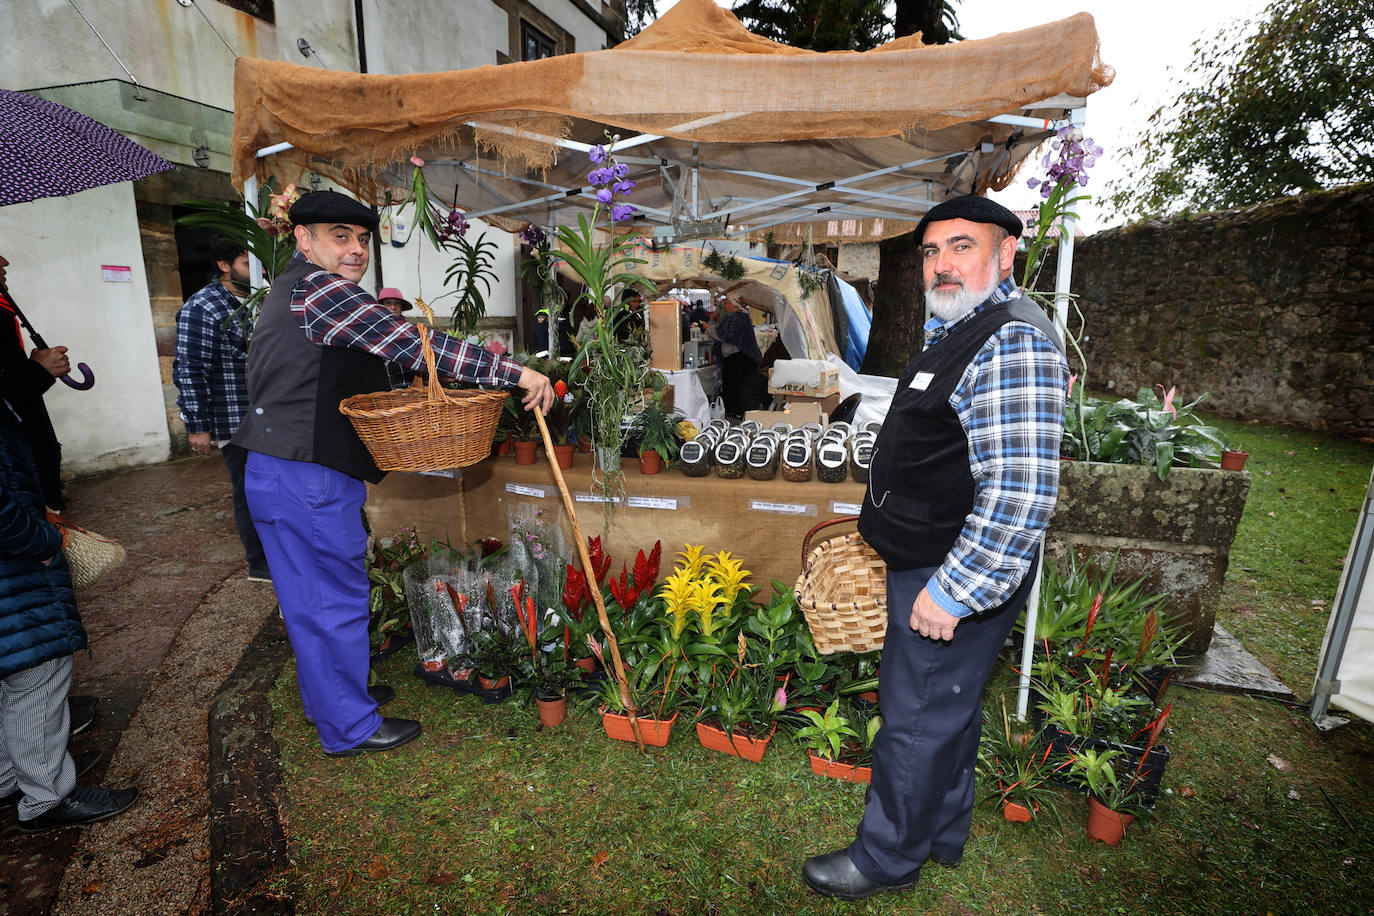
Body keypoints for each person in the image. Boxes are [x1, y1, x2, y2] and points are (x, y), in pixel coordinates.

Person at [802, 195, 1067, 900]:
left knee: (915, 715)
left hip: (951, 568)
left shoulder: (1010, 339)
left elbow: (1020, 493)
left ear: (1005, 253)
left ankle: (886, 859)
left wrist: (954, 591)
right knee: (946, 704)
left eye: (961, 247)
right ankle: (943, 831)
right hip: (934, 556)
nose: (941, 265)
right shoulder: (965, 323)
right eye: (930, 252)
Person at [231, 190, 554, 758]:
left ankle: (333, 699)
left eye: (361, 239)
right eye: (340, 237)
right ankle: (349, 726)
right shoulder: (318, 291)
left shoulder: (297, 288)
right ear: (303, 239)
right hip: (301, 475)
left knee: (317, 597)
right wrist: (512, 373)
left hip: (287, 469)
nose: (355, 250)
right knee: (330, 600)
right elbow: (414, 343)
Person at [0, 378, 139, 832]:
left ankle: (9, 778)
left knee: (11, 676)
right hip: (11, 571)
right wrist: (41, 537)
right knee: (36, 672)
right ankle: (47, 797)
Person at [173, 239, 269, 582]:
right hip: (236, 418)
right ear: (224, 265)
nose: (256, 271)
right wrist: (197, 425)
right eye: (247, 263)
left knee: (273, 489)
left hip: (271, 415)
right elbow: (190, 367)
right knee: (250, 492)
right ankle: (259, 565)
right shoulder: (204, 306)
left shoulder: (263, 300)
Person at [0, 253, 71, 511]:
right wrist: (38, 372)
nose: (4, 262)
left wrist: (36, 368)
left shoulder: (3, 308)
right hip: (13, 482)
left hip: (29, 464)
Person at [710, 294, 765, 418]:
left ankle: (737, 411)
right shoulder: (736, 317)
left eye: (728, 303)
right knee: (734, 385)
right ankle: (735, 411)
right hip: (739, 357)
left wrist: (710, 329)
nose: (726, 305)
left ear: (734, 304)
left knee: (736, 386)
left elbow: (726, 336)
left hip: (740, 357)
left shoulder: (739, 318)